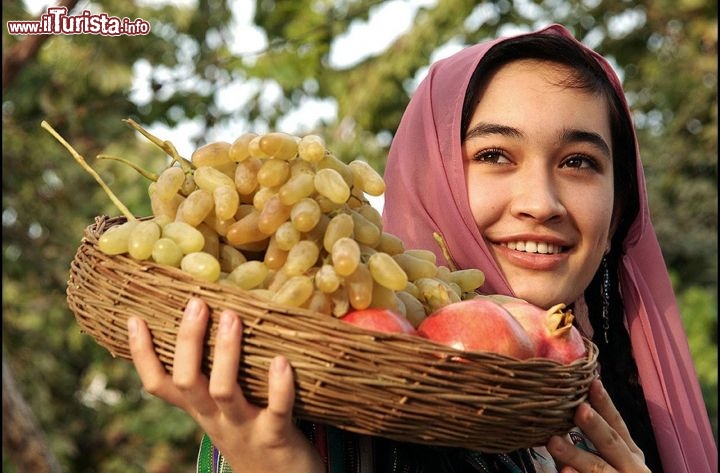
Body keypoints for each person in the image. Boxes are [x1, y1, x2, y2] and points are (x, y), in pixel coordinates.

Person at [126, 24, 717, 472]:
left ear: (619, 210)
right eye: (493, 156)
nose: (541, 202)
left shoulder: (633, 420)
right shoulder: (305, 396)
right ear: (428, 180)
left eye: (579, 162)